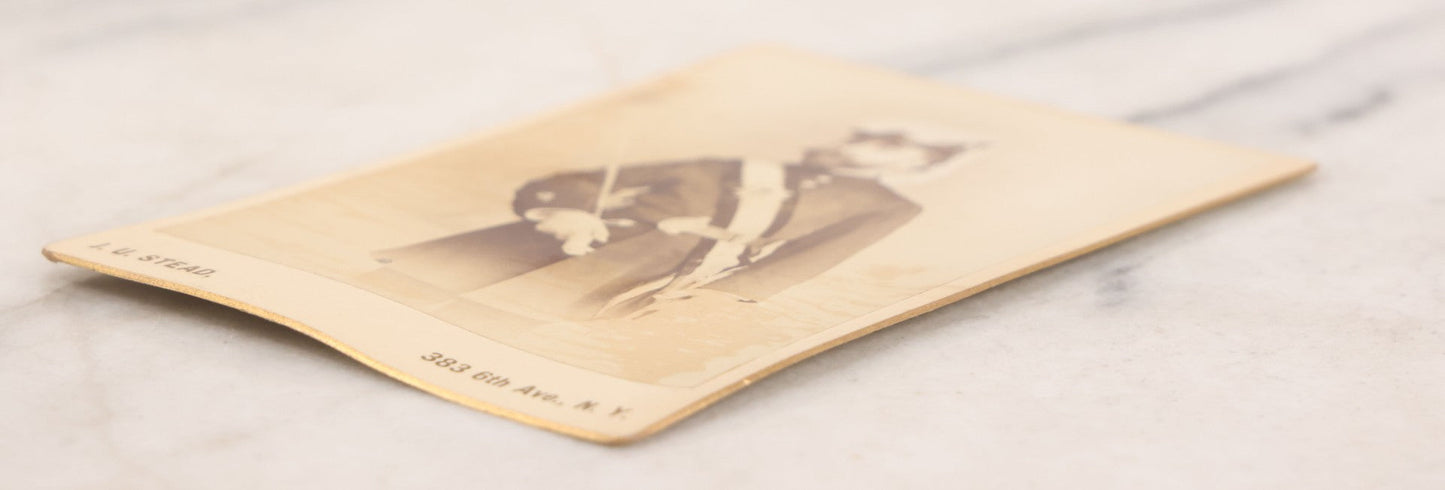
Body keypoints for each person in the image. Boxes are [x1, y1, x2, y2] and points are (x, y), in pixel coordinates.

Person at [372, 122, 983, 321]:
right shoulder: (729, 166)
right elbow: (567, 181)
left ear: (920, 165)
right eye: (869, 135)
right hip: (532, 242)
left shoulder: (887, 208)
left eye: (892, 146)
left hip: (637, 282)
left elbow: (793, 270)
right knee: (385, 300)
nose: (865, 145)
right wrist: (565, 209)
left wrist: (710, 306)